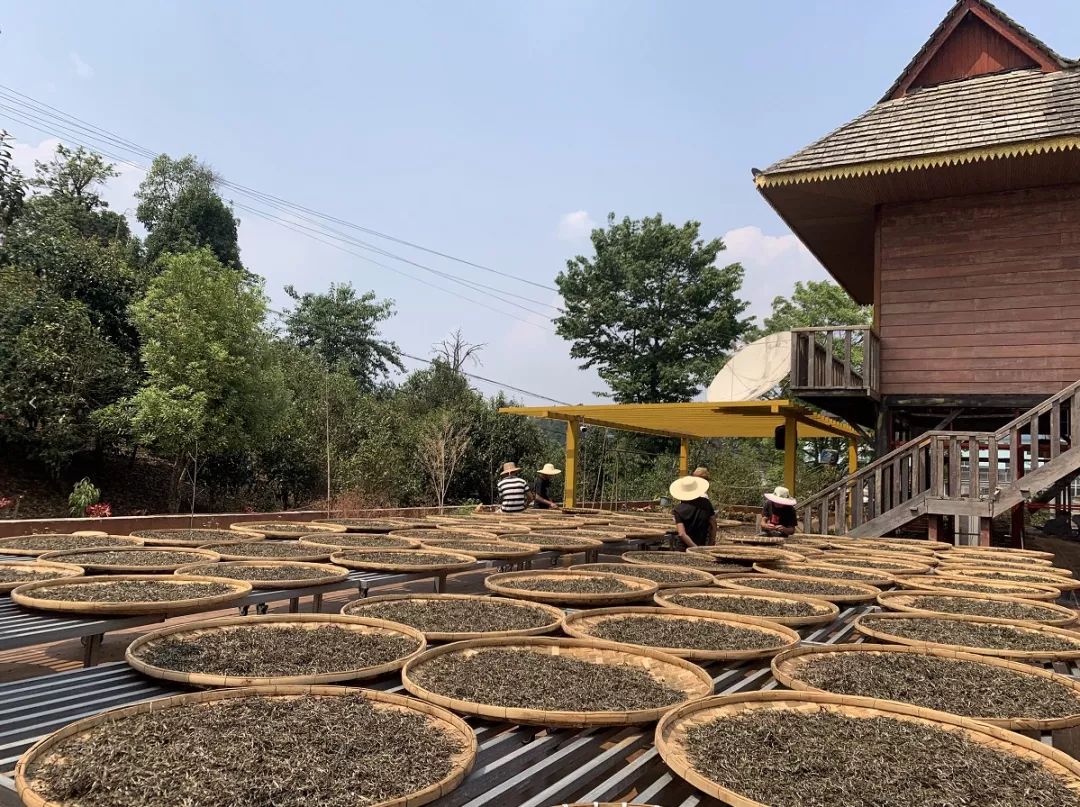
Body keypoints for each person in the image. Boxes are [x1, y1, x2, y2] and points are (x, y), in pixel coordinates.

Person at [669, 475, 717, 548]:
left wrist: (694, 548)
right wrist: (711, 542)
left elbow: (682, 534)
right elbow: (713, 524)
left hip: (684, 548)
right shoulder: (706, 503)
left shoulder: (678, 509)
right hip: (702, 545)